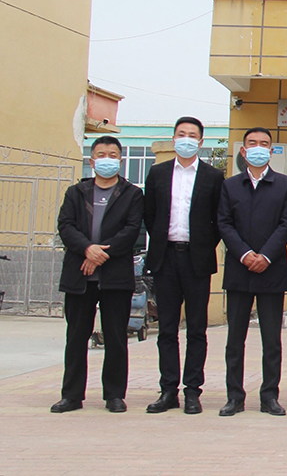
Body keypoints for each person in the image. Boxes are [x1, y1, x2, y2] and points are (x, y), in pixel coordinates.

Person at [51, 136, 144, 414]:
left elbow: (132, 230)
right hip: (79, 275)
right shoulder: (76, 192)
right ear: (92, 161)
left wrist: (100, 255)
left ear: (120, 161)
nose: (107, 159)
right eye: (101, 154)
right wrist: (87, 249)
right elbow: (65, 226)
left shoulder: (132, 194)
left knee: (116, 337)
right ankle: (71, 395)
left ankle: (114, 395)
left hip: (115, 277)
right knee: (76, 337)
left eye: (112, 155)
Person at [143, 117, 225, 415]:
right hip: (165, 258)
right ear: (174, 138)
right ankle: (168, 390)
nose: (186, 139)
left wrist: (203, 245)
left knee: (197, 329)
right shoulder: (158, 173)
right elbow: (149, 214)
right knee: (167, 328)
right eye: (181, 134)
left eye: (192, 135)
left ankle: (192, 390)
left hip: (197, 259)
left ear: (200, 142)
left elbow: (218, 219)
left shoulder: (213, 176)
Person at [217, 127, 287, 417]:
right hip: (239, 270)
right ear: (243, 150)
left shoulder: (285, 184)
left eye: (264, 143)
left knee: (271, 340)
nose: (258, 147)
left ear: (271, 151)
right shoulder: (230, 186)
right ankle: (234, 397)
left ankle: (269, 396)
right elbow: (224, 223)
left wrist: (266, 256)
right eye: (252, 143)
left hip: (272, 270)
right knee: (234, 340)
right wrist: (245, 254)